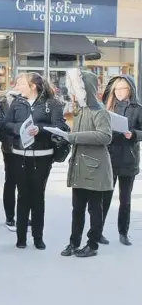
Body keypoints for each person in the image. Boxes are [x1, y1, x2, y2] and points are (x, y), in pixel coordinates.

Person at [3, 72, 68, 250]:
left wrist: (40, 129)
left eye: (21, 83)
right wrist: (19, 128)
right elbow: (5, 125)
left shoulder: (52, 104)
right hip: (19, 156)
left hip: (42, 157)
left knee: (38, 197)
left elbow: (60, 127)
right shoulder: (17, 103)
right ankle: (21, 237)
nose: (17, 86)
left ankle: (38, 237)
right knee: (22, 196)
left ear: (33, 86)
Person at [61, 68, 113, 258]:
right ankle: (73, 242)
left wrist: (73, 137)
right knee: (77, 209)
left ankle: (92, 244)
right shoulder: (81, 111)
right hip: (80, 167)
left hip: (95, 169)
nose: (73, 93)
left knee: (94, 209)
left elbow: (105, 136)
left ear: (86, 89)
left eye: (76, 88)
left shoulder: (100, 112)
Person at [101, 75, 142, 246]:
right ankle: (98, 231)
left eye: (123, 88)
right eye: (117, 89)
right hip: (109, 157)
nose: (119, 92)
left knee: (125, 200)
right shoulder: (107, 107)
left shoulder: (138, 108)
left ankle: (123, 232)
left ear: (130, 89)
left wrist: (133, 134)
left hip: (128, 158)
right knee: (104, 198)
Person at [0, 88, 20, 231]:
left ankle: (22, 216)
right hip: (10, 147)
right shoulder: (3, 101)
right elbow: (1, 124)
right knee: (11, 181)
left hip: (26, 147)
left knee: (24, 184)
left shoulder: (31, 101)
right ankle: (10, 217)